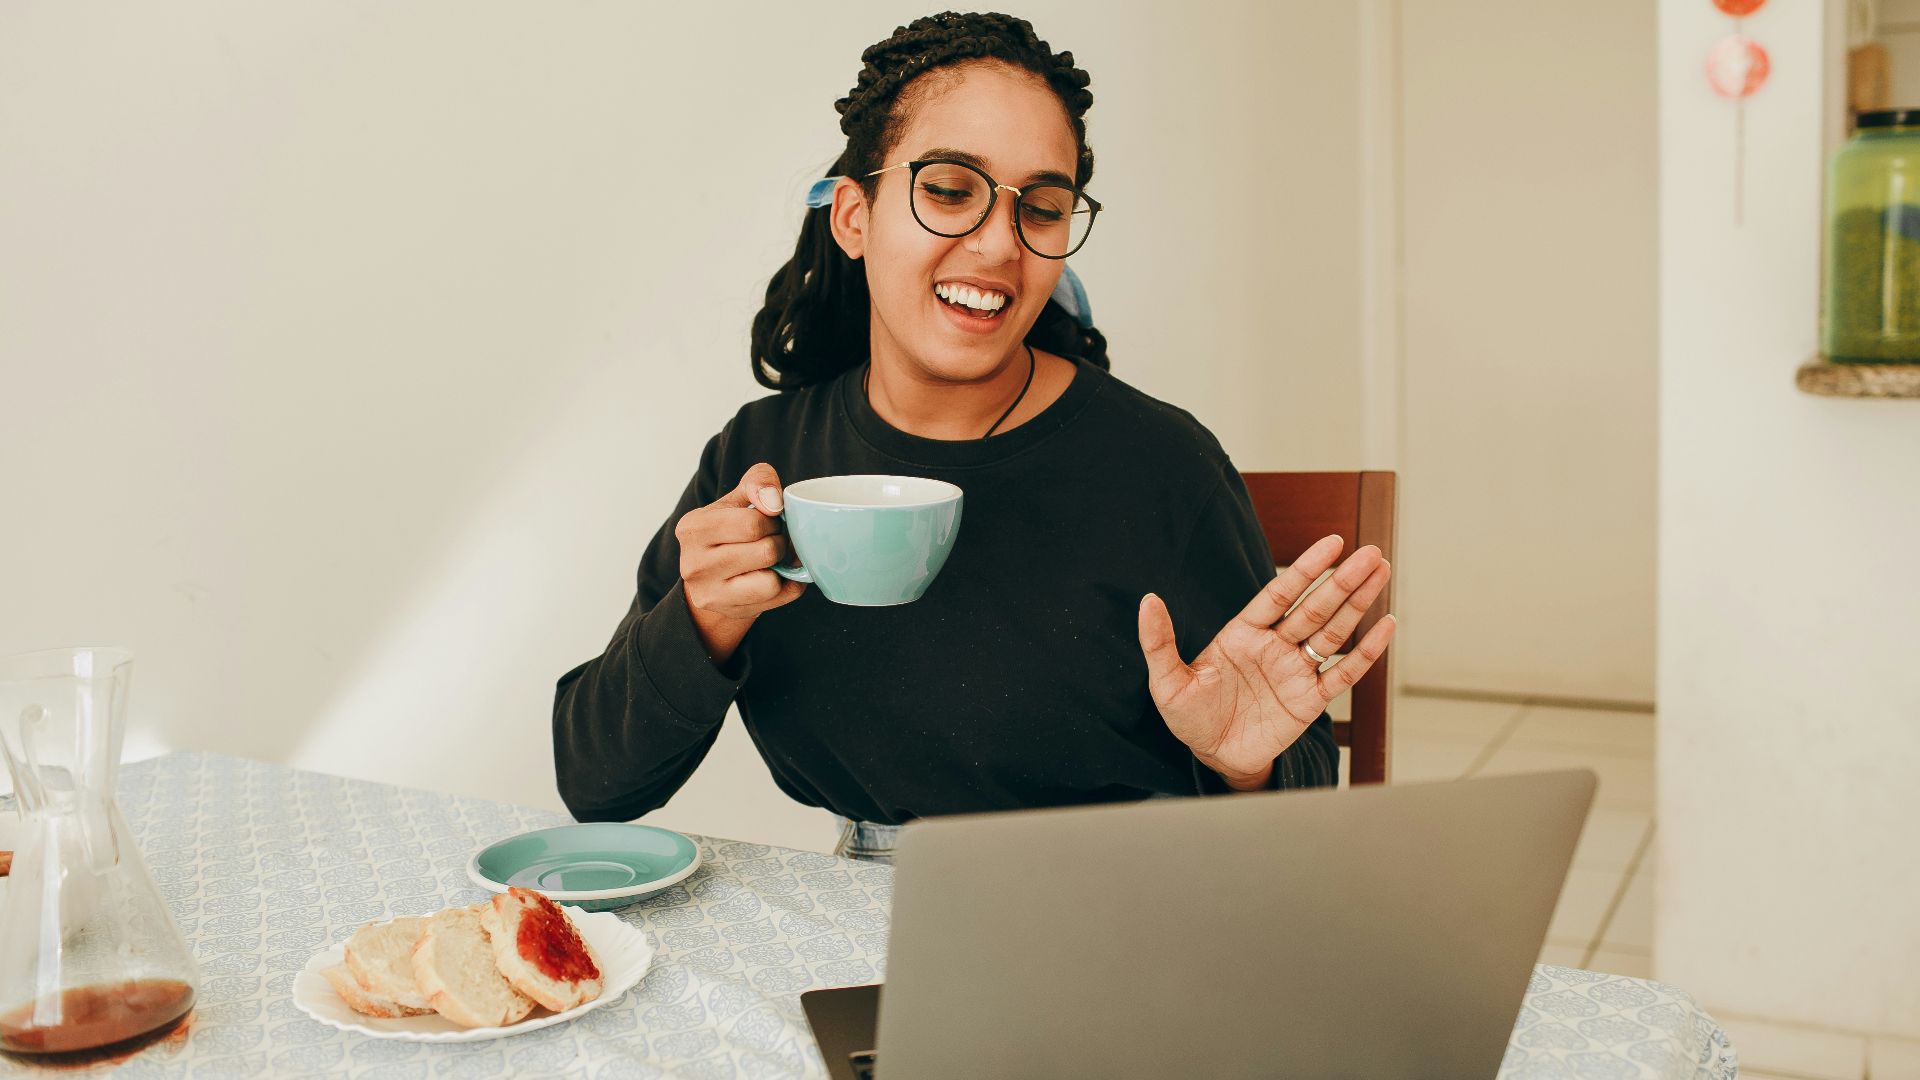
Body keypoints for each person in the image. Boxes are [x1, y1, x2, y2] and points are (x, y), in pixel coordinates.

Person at [552, 11, 1395, 863]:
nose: (999, 244)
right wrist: (698, 620)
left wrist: (1236, 765)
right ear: (854, 215)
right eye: (951, 189)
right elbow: (596, 786)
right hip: (859, 910)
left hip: (1127, 908)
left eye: (1044, 207)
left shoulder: (1161, 467)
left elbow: (1297, 783)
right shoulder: (760, 460)